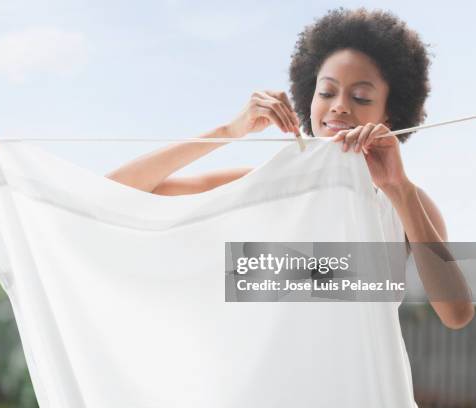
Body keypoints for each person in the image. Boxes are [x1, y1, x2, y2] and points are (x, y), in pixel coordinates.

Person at [105, 7, 474, 328]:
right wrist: (227, 132)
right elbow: (114, 191)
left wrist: (398, 187)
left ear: (390, 113)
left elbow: (456, 314)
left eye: (360, 97)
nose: (339, 106)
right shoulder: (266, 184)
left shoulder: (407, 201)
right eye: (326, 92)